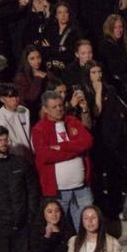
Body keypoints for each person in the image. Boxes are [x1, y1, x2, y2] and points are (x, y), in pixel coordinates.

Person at [32, 89, 94, 230]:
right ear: (45, 109)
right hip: (59, 192)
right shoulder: (39, 129)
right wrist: (75, 150)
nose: (59, 109)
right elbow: (45, 156)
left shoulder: (72, 120)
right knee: (60, 229)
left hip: (82, 187)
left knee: (87, 226)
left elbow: (88, 141)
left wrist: (61, 147)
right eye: (54, 107)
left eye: (61, 105)